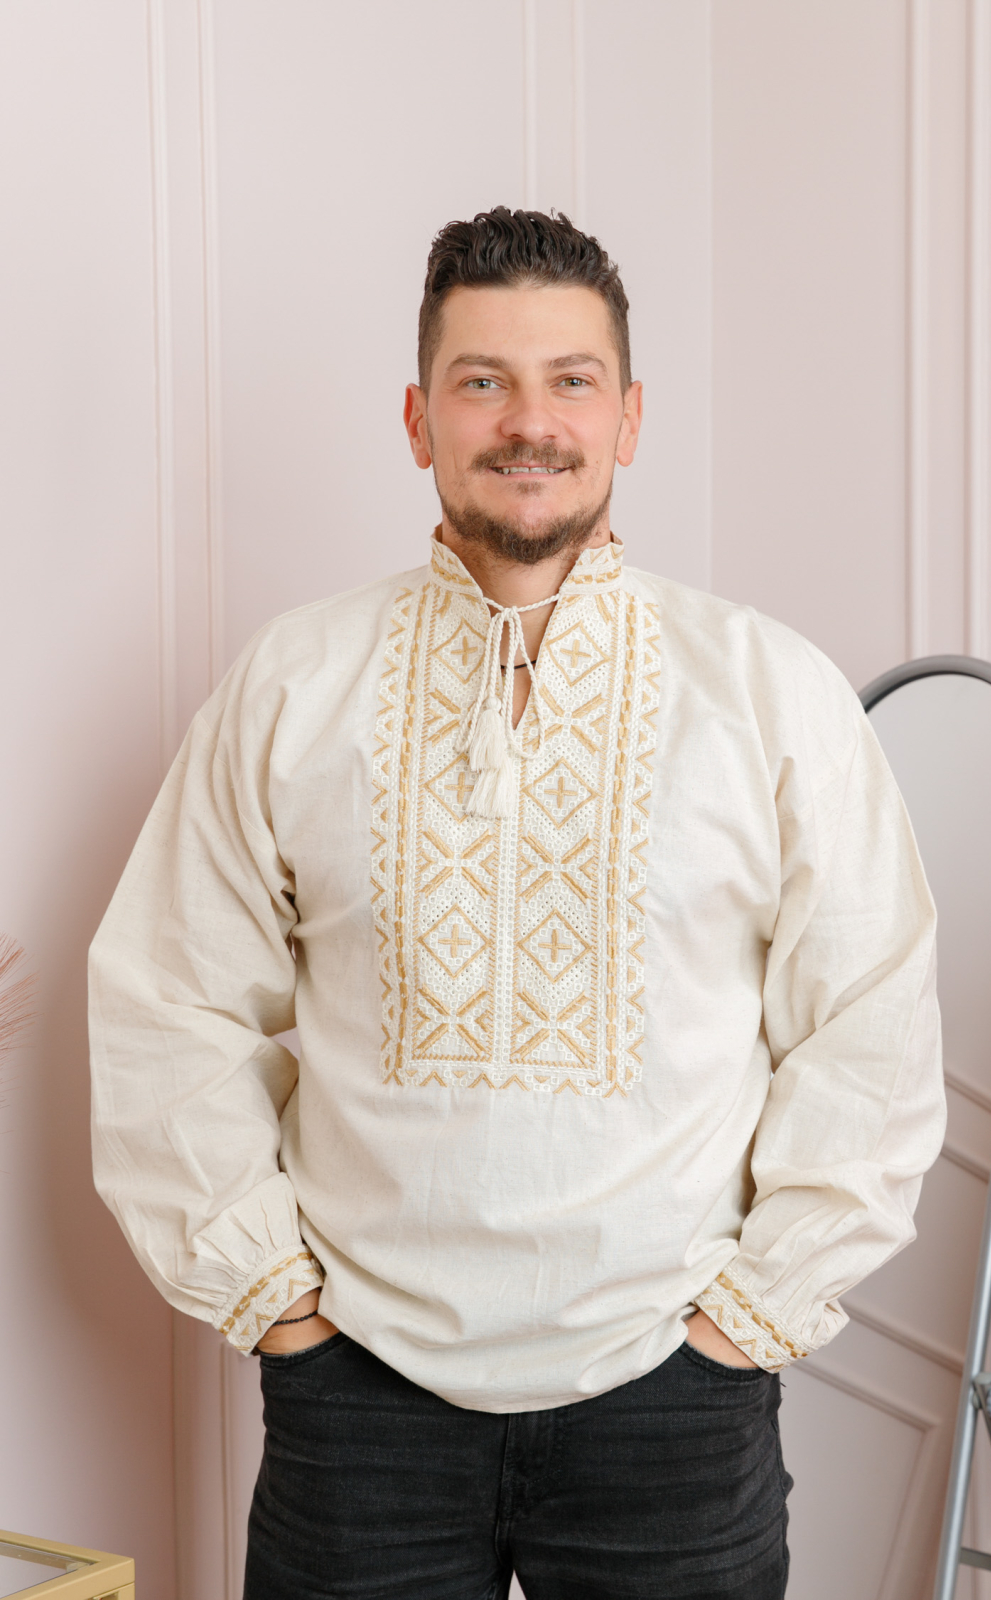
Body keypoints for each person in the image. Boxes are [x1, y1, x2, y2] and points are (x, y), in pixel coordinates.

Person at [89, 207, 944, 1600]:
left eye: (571, 380)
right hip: (360, 1406)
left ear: (629, 417)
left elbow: (871, 1024)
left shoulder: (766, 690)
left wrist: (745, 1323)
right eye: (482, 380)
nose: (529, 421)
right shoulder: (294, 681)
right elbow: (165, 998)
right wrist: (282, 1311)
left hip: (673, 1402)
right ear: (418, 417)